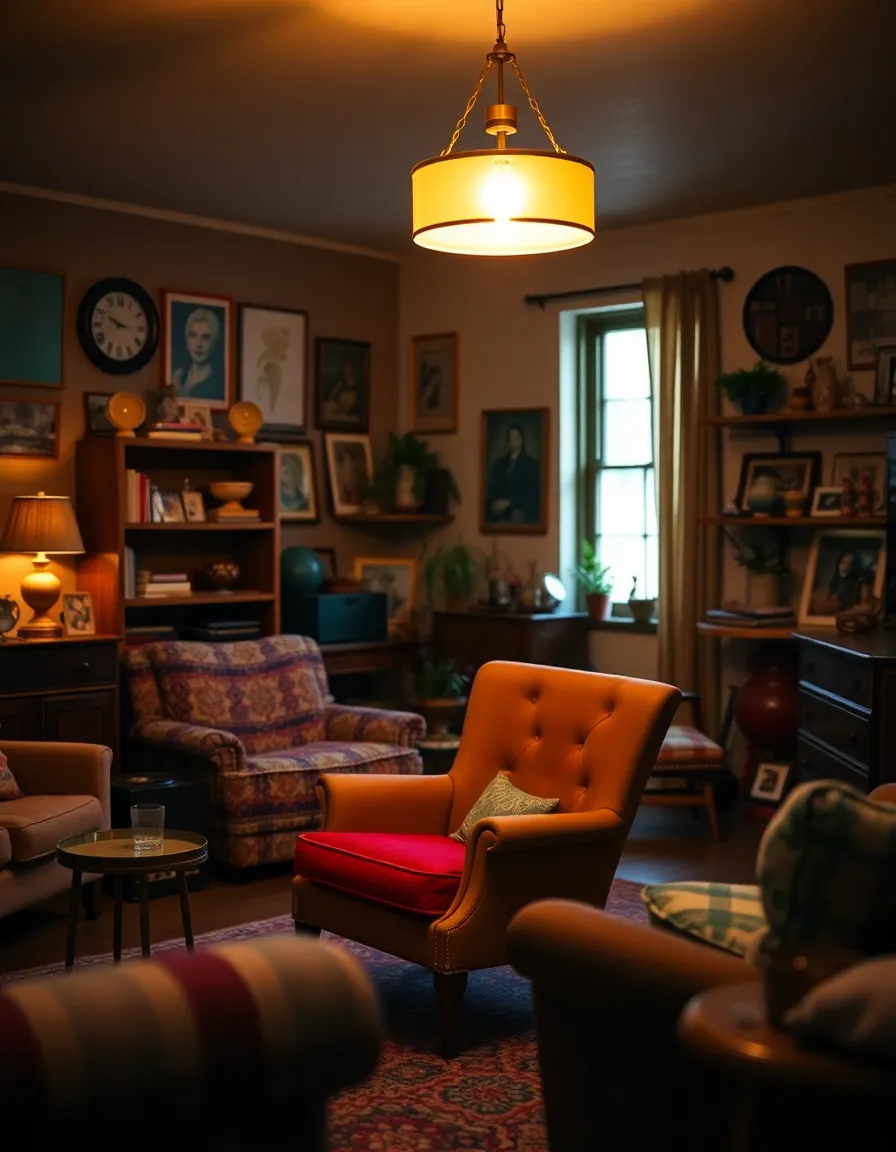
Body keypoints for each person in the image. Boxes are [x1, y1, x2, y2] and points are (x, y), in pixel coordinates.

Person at [487, 423, 541, 524]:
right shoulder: (500, 464)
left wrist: (509, 503)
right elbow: (493, 488)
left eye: (516, 437)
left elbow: (531, 495)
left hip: (518, 510)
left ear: (522, 440)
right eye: (510, 438)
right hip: (499, 512)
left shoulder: (530, 465)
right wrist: (496, 503)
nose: (513, 441)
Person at [172, 307, 223, 400]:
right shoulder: (178, 376)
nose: (199, 344)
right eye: (193, 336)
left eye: (205, 337)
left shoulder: (217, 384)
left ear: (214, 343)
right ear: (187, 339)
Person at [810, 550, 866, 615]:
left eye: (849, 564)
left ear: (854, 567)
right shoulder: (833, 583)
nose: (845, 567)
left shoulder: (857, 586)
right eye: (842, 562)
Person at [321, 356, 360, 424]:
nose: (348, 369)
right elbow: (332, 398)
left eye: (349, 366)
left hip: (347, 413)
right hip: (338, 410)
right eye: (346, 366)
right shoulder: (341, 383)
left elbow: (352, 405)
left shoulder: (356, 384)